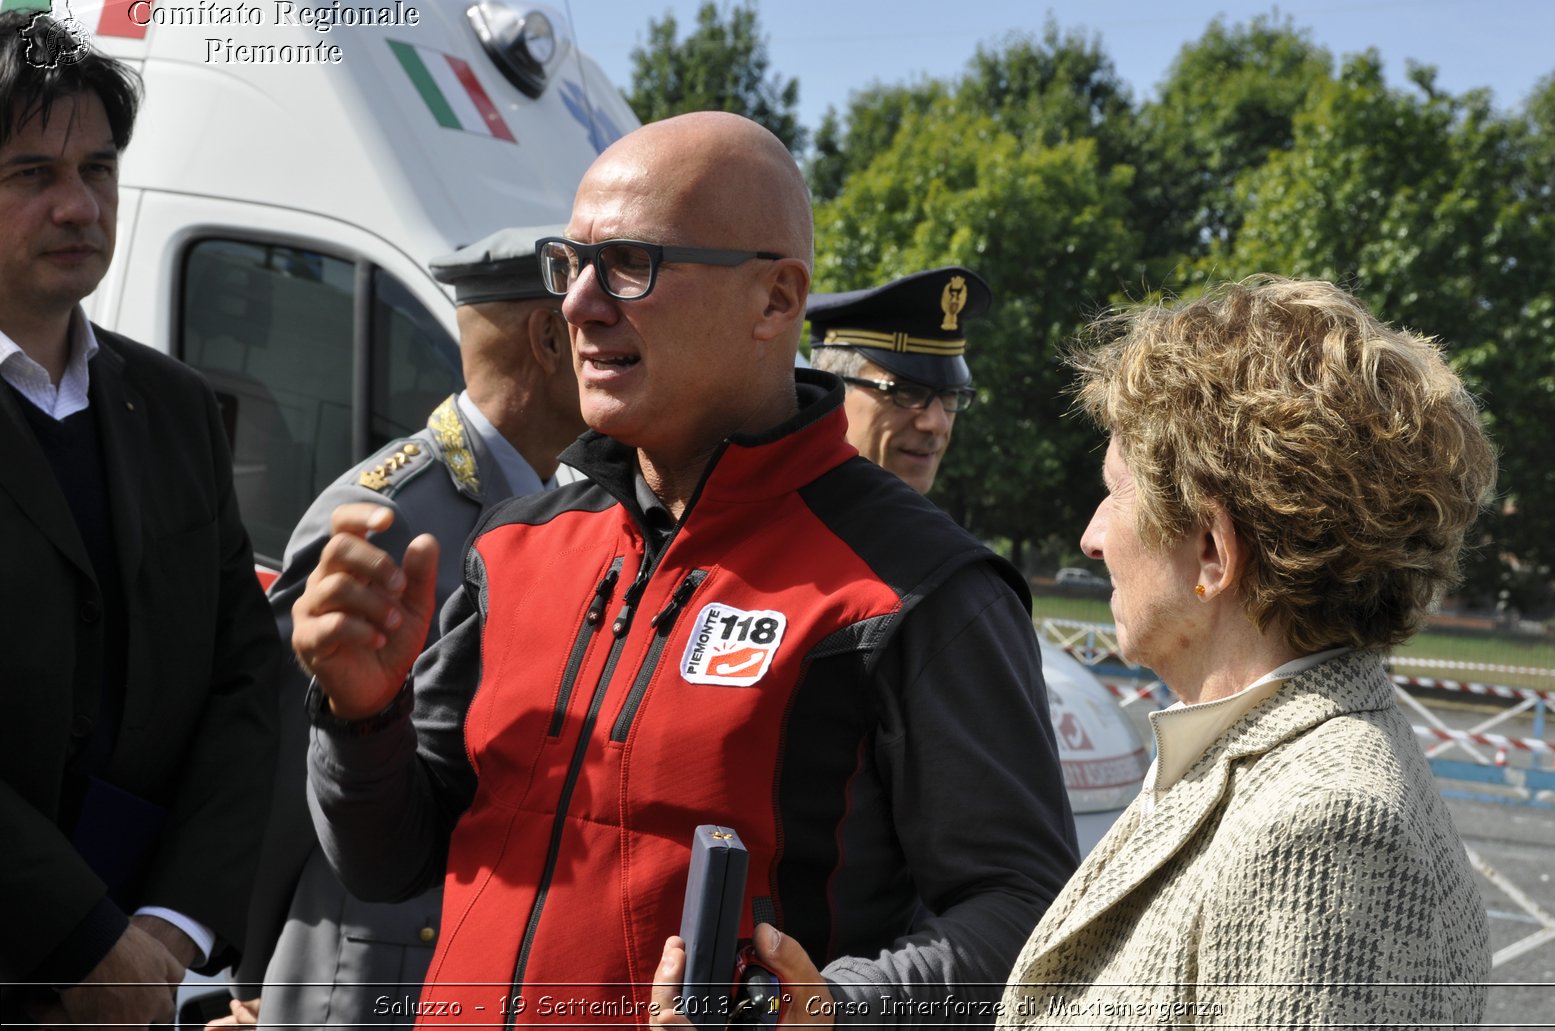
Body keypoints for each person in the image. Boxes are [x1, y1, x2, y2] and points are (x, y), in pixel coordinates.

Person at [291, 111, 1076, 1027]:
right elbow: (388, 860)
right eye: (568, 264)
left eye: (629, 263)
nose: (578, 304)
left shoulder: (916, 585)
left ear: (777, 299)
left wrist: (830, 1009)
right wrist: (361, 717)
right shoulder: (513, 544)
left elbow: (1029, 915)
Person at [1001, 276, 1494, 1028]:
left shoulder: (1325, 830)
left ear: (1210, 550)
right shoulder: (1251, 752)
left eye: (1112, 492)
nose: (1091, 536)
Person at [215, 227, 587, 1028]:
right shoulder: (390, 511)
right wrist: (249, 965)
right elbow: (276, 754)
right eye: (591, 320)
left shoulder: (570, 505)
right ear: (550, 338)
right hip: (369, 964)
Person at [0, 10, 280, 1028]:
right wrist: (84, 942)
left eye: (100, 169)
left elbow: (248, 676)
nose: (79, 205)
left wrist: (169, 927)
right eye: (33, 174)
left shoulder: (173, 406)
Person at [806, 268, 988, 494]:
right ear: (830, 393)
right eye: (907, 392)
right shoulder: (773, 523)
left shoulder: (929, 529)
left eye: (950, 395)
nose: (938, 424)